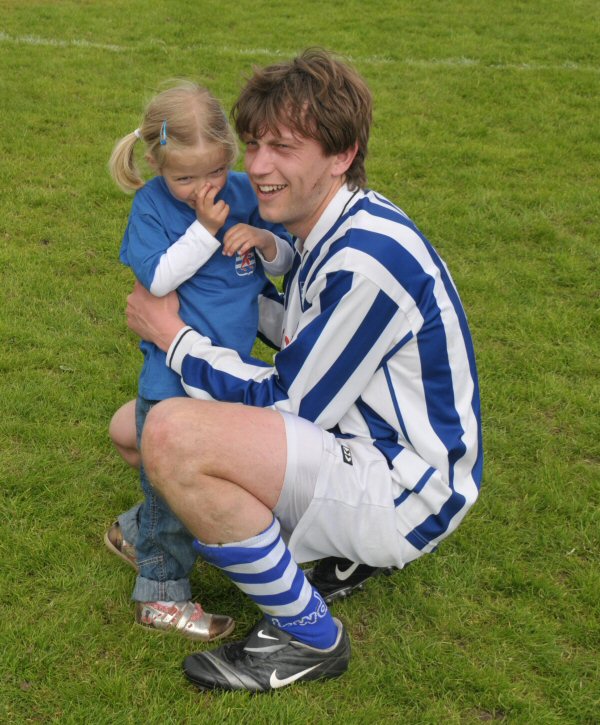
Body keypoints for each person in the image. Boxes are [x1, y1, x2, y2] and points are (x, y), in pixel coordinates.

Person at [125, 49, 483, 692]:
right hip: (365, 444)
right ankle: (337, 554)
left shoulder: (366, 260)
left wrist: (173, 339)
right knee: (134, 425)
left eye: (285, 148)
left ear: (340, 155)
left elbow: (292, 398)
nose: (258, 167)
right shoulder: (330, 229)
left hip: (407, 489)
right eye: (255, 144)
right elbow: (294, 327)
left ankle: (307, 637)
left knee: (172, 431)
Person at [103, 81, 293, 642]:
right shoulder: (153, 206)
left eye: (211, 174)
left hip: (225, 369)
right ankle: (161, 596)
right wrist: (207, 230)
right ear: (157, 161)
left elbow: (284, 262)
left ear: (228, 159)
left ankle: (135, 530)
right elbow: (157, 279)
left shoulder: (241, 192)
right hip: (170, 377)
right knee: (170, 487)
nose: (199, 189)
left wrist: (261, 238)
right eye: (183, 177)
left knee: (191, 485)